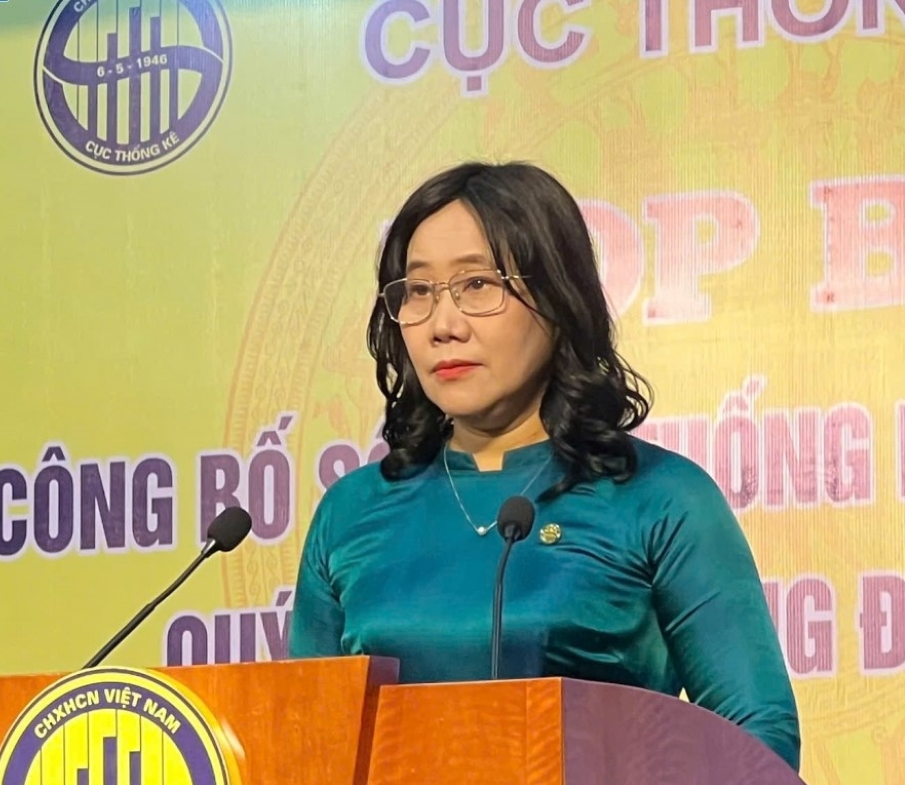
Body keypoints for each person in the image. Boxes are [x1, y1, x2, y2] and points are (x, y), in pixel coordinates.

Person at [287, 161, 801, 771]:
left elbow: (758, 738)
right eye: (418, 291)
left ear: (558, 299)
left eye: (478, 285)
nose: (443, 326)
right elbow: (305, 747)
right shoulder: (351, 512)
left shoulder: (659, 498)